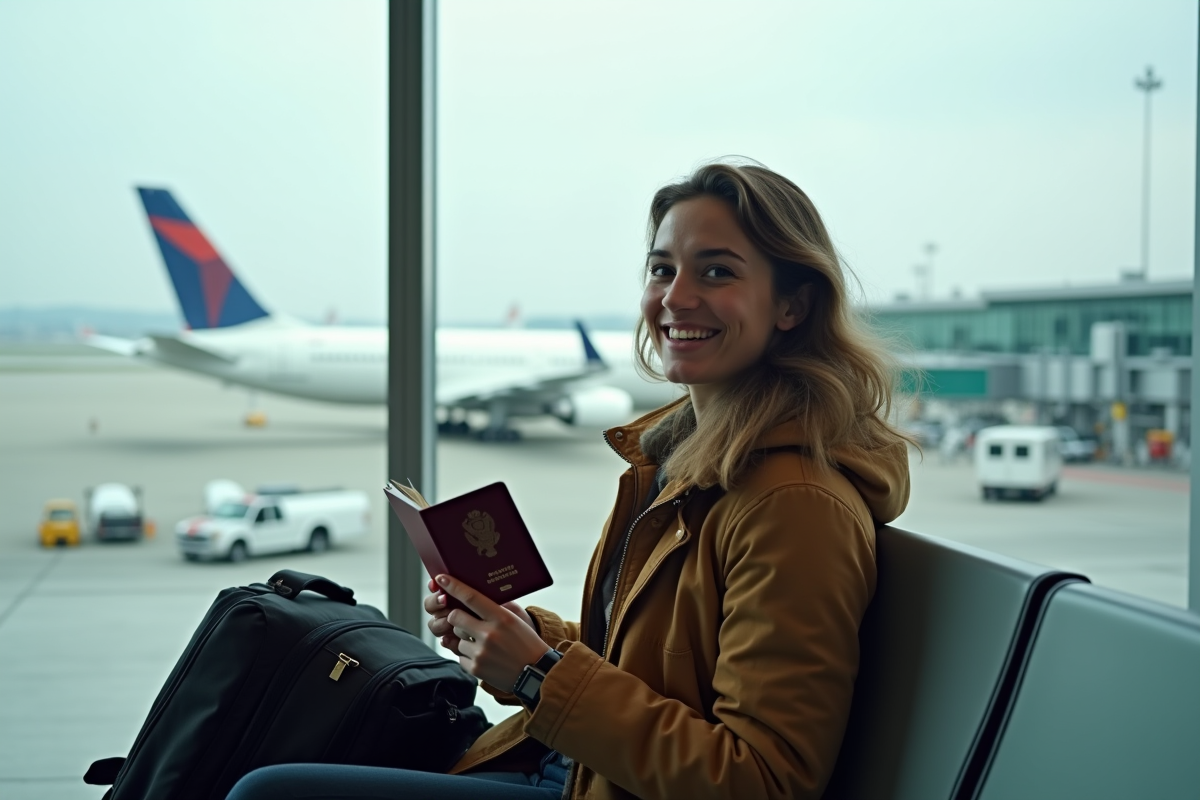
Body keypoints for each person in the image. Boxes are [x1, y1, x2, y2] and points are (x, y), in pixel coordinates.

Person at [227, 160, 910, 800]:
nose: (676, 297)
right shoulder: (685, 460)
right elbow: (656, 671)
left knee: (269, 789)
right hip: (578, 765)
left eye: (717, 272)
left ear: (791, 306)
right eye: (662, 269)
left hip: (590, 778)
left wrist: (536, 674)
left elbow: (763, 780)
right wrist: (522, 635)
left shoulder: (793, 505)